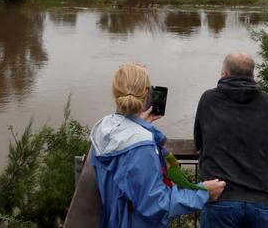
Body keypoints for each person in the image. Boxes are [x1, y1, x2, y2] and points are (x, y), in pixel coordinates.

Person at [90, 64, 226, 228]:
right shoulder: (141, 146)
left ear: (115, 92)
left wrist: (140, 124)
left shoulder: (103, 128)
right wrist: (203, 193)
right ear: (147, 93)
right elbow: (156, 205)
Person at [194, 52, 268, 227]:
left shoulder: (209, 99)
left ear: (224, 74)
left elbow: (198, 142)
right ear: (252, 75)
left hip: (220, 197)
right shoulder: (267, 101)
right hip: (260, 200)